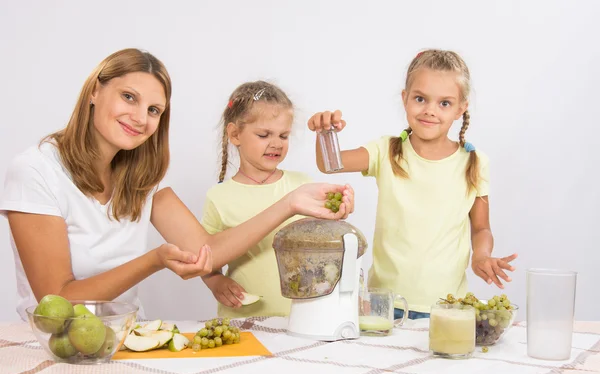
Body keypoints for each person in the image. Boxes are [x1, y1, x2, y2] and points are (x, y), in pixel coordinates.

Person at [0, 49, 354, 321]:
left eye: (154, 110)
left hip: (122, 338)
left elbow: (207, 253)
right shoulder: (36, 171)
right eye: (129, 97)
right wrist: (154, 260)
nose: (140, 118)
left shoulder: (142, 178)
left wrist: (292, 202)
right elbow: (58, 301)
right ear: (95, 90)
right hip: (51, 347)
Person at [307, 49, 517, 319]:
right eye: (420, 99)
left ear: (461, 108)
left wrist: (482, 256)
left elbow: (481, 227)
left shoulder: (474, 162)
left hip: (448, 307)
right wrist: (326, 132)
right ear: (405, 98)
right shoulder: (386, 151)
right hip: (384, 305)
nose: (430, 110)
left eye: (444, 103)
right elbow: (330, 163)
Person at [200, 81, 354, 318]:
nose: (276, 144)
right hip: (242, 319)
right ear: (234, 134)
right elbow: (206, 258)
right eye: (263, 135)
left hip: (300, 317)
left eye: (284, 135)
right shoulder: (219, 197)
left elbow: (324, 241)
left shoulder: (302, 186)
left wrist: (341, 209)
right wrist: (215, 282)